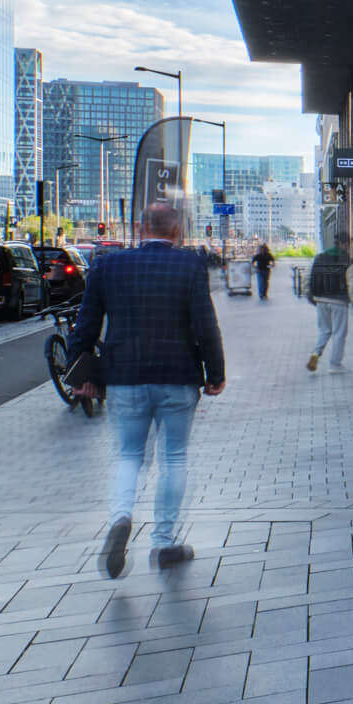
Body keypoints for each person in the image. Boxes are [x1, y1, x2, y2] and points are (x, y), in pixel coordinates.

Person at [66, 200, 225, 578]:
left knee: (128, 456)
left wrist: (79, 374)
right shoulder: (190, 264)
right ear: (177, 232)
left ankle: (122, 516)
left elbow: (85, 324)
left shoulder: (109, 265)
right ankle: (164, 543)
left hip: (125, 376)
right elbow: (206, 324)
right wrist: (214, 372)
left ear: (140, 229)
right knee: (173, 459)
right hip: (178, 375)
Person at [305, 234, 353, 372]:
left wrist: (310, 295)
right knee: (339, 333)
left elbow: (308, 276)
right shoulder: (347, 260)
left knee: (324, 330)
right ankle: (334, 365)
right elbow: (352, 282)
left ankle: (316, 353)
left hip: (321, 299)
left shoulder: (319, 257)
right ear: (345, 244)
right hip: (339, 301)